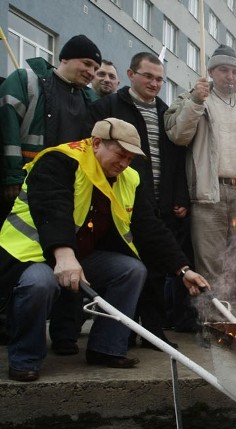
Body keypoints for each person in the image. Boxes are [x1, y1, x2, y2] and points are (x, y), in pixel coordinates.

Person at [0, 119, 208, 381]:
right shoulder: (60, 160)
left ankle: (106, 348)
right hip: (32, 254)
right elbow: (53, 209)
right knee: (40, 284)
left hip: (81, 256)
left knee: (131, 270)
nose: (124, 164)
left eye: (130, 158)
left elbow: (150, 228)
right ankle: (25, 358)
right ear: (97, 143)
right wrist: (63, 255)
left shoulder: (129, 178)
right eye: (120, 155)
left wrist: (183, 269)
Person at [0, 34, 102, 356]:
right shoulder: (28, 79)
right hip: (22, 188)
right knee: (20, 264)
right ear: (66, 58)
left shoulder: (88, 100)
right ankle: (8, 329)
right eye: (87, 63)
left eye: (96, 67)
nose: (91, 71)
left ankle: (63, 335)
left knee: (67, 259)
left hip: (66, 194)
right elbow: (7, 126)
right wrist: (13, 174)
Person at [89, 52, 191, 346]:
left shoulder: (166, 113)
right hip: (121, 198)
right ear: (131, 74)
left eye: (159, 78)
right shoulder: (108, 107)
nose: (154, 83)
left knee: (158, 268)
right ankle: (120, 332)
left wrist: (179, 195)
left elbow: (177, 159)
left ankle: (153, 332)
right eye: (148, 76)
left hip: (161, 201)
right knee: (130, 267)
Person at [165, 44, 236, 320]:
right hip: (209, 193)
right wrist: (196, 102)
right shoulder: (196, 98)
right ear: (211, 71)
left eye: (235, 71)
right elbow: (177, 135)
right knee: (211, 265)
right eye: (224, 70)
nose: (230, 76)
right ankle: (214, 322)